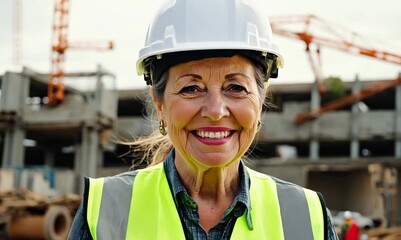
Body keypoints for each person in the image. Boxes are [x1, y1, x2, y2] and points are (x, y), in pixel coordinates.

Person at [69, 0, 339, 239]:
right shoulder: (105, 212)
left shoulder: (306, 217)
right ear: (159, 104)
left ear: (261, 99)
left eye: (236, 87)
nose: (215, 110)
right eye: (191, 88)